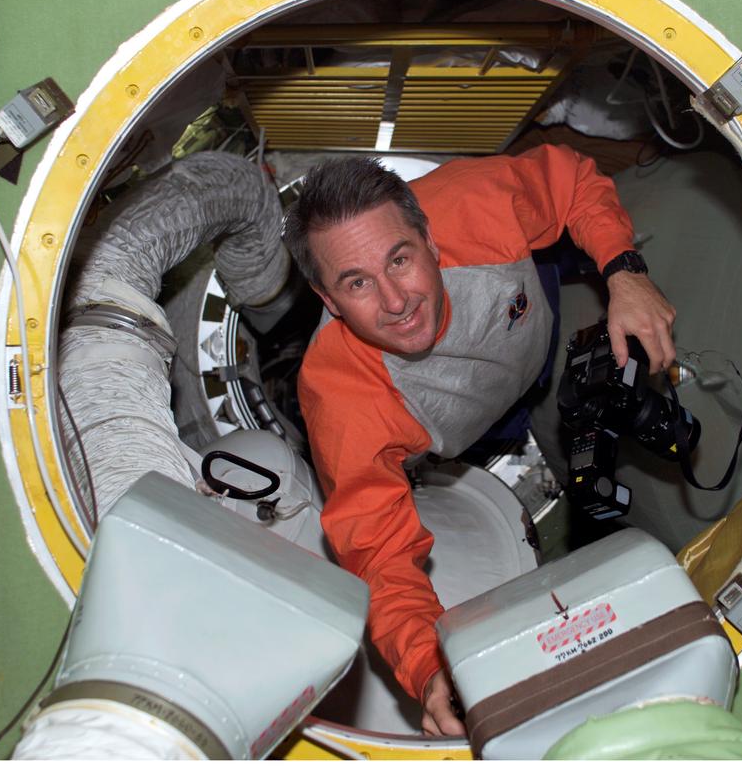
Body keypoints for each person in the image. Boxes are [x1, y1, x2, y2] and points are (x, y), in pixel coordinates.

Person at [284, 144, 676, 736]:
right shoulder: (340, 397)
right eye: (357, 282)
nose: (396, 302)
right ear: (328, 302)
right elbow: (379, 554)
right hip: (475, 427)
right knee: (509, 420)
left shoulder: (476, 203)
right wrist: (429, 665)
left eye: (400, 260)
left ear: (432, 241)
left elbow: (571, 181)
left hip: (526, 315)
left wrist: (625, 273)